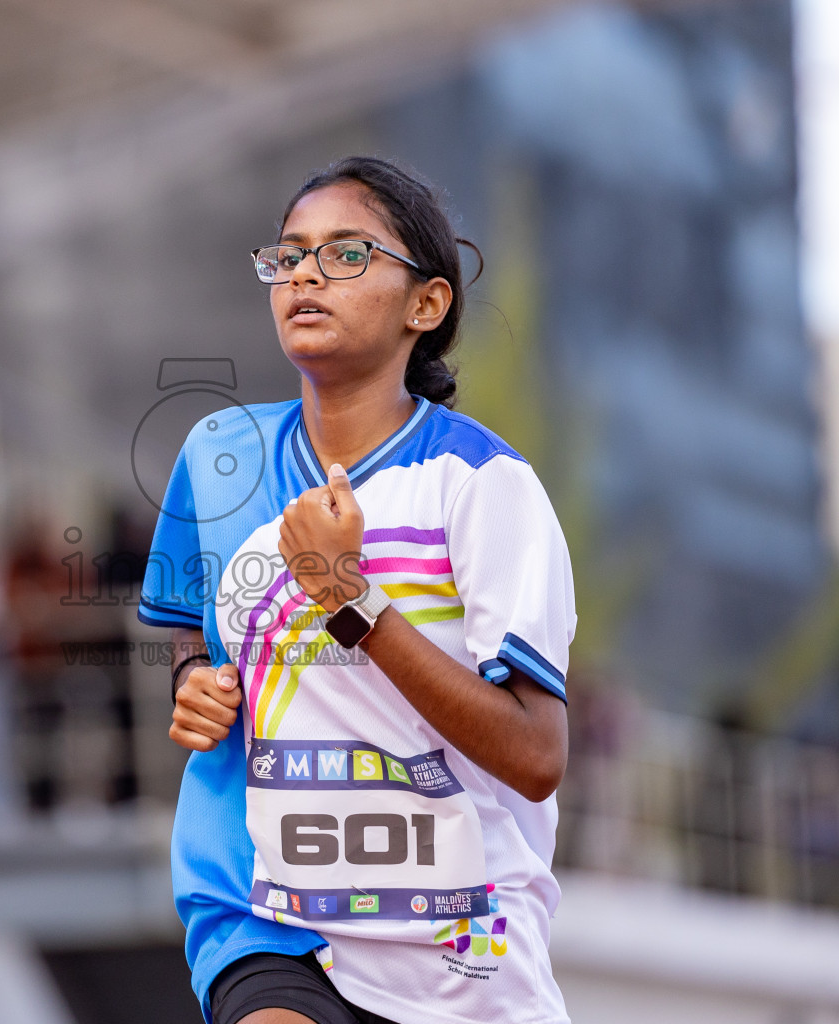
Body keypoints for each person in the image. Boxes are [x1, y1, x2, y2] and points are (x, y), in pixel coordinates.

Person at [138, 157, 576, 1024]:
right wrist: (190, 683)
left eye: (345, 255)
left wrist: (350, 600)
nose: (304, 273)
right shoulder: (218, 456)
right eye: (290, 255)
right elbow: (191, 629)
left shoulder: (482, 484)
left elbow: (535, 757)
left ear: (426, 304)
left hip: (462, 952)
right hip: (267, 921)